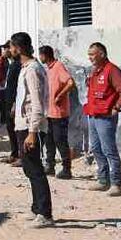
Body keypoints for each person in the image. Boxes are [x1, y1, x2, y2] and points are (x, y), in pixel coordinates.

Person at [11, 32, 53, 227]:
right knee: (29, 168)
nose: (10, 50)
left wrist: (32, 132)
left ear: (19, 48)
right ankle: (36, 208)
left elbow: (37, 103)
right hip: (24, 125)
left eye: (12, 47)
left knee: (35, 170)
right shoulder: (26, 68)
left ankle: (45, 213)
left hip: (31, 127)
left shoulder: (33, 70)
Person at [83, 42, 121, 195]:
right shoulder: (95, 71)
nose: (90, 57)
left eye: (92, 54)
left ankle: (117, 184)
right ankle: (103, 180)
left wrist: (116, 107)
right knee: (96, 148)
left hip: (105, 117)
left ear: (102, 54)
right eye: (89, 54)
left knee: (109, 150)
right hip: (93, 115)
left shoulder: (112, 70)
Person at [37, 46, 76, 179]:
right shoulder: (48, 69)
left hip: (59, 113)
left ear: (45, 55)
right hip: (49, 112)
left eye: (40, 55)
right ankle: (50, 165)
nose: (40, 58)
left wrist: (60, 95)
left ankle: (66, 169)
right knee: (49, 141)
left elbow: (70, 83)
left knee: (60, 141)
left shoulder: (58, 66)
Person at [2, 40, 22, 166]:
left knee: (17, 129)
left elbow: (19, 86)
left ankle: (21, 155)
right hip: (8, 100)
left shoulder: (18, 65)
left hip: (14, 102)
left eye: (7, 48)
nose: (4, 51)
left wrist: (15, 103)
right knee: (10, 128)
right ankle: (14, 153)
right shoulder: (11, 64)